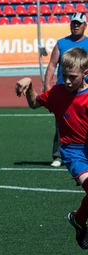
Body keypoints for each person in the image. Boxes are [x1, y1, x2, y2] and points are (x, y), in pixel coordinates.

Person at [16, 47, 88, 250]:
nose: (67, 81)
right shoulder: (57, 92)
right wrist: (29, 85)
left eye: (72, 77)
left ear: (85, 73)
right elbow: (33, 103)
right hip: (74, 152)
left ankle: (78, 219)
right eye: (64, 76)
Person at [43, 12, 88, 168]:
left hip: (84, 92)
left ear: (85, 25)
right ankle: (59, 155)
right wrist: (47, 87)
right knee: (61, 124)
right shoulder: (61, 43)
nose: (76, 25)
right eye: (73, 23)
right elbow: (52, 65)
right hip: (64, 91)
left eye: (79, 23)